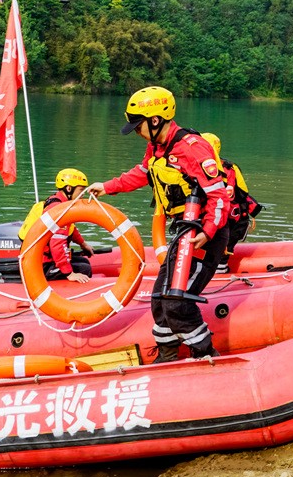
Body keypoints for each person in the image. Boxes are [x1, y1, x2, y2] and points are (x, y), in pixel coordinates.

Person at [87, 86, 230, 362]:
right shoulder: (156, 147)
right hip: (182, 232)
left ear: (155, 120)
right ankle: (167, 356)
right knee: (159, 301)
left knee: (178, 302)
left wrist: (207, 231)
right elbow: (142, 174)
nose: (136, 132)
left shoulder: (193, 148)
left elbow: (219, 196)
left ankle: (207, 355)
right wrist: (106, 187)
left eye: (138, 125)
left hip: (203, 236)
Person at [18, 168, 95, 283]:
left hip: (42, 259)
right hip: (40, 265)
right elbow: (57, 244)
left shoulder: (59, 201)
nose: (83, 194)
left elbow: (71, 229)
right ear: (69, 188)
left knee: (84, 262)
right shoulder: (58, 210)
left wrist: (83, 244)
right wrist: (69, 273)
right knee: (85, 269)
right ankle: (61, 297)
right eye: (81, 190)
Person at [201, 132, 262, 272]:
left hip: (227, 222)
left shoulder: (224, 171)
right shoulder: (230, 168)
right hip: (226, 221)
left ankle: (219, 272)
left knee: (218, 256)